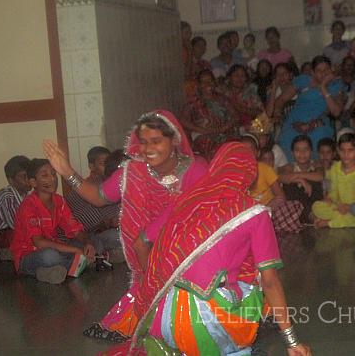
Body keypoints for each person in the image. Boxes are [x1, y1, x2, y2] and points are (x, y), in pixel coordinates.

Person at [100, 142, 312, 356]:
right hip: (204, 324)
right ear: (251, 173)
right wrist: (292, 341)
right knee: (260, 276)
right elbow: (270, 280)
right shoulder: (254, 212)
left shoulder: (186, 200)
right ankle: (231, 348)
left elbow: (141, 242)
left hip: (161, 317)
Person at [44, 109, 208, 339]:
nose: (148, 149)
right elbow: (99, 197)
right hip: (146, 258)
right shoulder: (133, 171)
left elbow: (204, 216)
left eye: (156, 141)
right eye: (143, 142)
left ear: (174, 140)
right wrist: (67, 171)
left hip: (192, 259)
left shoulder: (195, 170)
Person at [10, 159, 96, 284]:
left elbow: (76, 230)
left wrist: (87, 243)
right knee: (50, 256)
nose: (52, 179)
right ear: (33, 182)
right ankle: (81, 264)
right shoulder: (28, 205)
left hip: (54, 246)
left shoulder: (59, 201)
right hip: (29, 254)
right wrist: (75, 251)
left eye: (53, 174)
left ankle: (49, 272)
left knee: (92, 243)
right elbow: (39, 243)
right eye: (45, 175)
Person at [278, 55, 344, 161]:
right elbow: (281, 100)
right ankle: (294, 171)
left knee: (321, 137)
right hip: (295, 121)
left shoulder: (336, 85)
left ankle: (316, 170)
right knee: (288, 137)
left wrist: (323, 87)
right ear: (312, 72)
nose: (323, 73)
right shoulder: (303, 80)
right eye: (319, 70)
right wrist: (281, 118)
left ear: (331, 69)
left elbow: (336, 112)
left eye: (326, 69)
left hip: (318, 122)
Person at [66, 147, 122, 258]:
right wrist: (109, 222)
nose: (107, 167)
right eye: (102, 163)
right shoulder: (85, 188)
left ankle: (106, 256)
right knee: (98, 245)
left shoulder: (109, 183)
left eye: (109, 163)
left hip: (99, 235)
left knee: (121, 236)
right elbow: (81, 224)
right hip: (81, 238)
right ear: (92, 167)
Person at [242, 135, 304, 233]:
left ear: (257, 153)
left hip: (268, 211)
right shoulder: (235, 172)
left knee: (293, 206)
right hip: (246, 215)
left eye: (250, 150)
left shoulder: (265, 169)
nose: (247, 153)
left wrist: (263, 210)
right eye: (242, 150)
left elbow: (281, 197)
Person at [312, 133, 355, 229]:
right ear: (338, 151)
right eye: (342, 150)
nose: (346, 154)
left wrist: (350, 207)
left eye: (350, 150)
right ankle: (342, 220)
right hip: (339, 207)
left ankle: (329, 223)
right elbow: (333, 192)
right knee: (316, 206)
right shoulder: (335, 168)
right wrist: (329, 199)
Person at [180, 70, 238, 159]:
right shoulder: (194, 101)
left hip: (224, 132)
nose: (207, 84)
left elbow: (235, 116)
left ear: (214, 82)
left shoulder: (222, 99)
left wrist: (224, 128)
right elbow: (183, 120)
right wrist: (202, 130)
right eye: (203, 82)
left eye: (210, 81)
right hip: (204, 135)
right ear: (198, 84)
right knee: (210, 147)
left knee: (232, 148)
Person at [279, 135, 324, 223]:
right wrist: (300, 180)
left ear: (311, 151)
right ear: (292, 153)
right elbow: (279, 177)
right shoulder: (289, 167)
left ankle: (311, 215)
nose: (302, 153)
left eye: (305, 149)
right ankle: (309, 216)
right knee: (290, 185)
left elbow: (320, 176)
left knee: (314, 182)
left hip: (314, 206)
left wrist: (299, 175)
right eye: (298, 150)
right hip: (295, 210)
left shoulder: (316, 165)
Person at [224, 64, 264, 128]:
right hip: (229, 128)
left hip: (250, 127)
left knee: (264, 125)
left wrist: (243, 109)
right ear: (229, 77)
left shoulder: (251, 93)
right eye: (236, 75)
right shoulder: (223, 94)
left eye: (243, 76)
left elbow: (261, 113)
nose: (240, 78)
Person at [339, 56, 355, 127]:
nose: (349, 67)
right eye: (347, 64)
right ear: (342, 66)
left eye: (352, 65)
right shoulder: (335, 83)